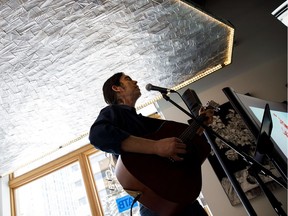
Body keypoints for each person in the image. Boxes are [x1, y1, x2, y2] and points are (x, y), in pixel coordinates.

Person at [89, 72, 212, 216]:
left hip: (179, 195)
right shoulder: (111, 112)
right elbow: (98, 135)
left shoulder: (142, 121)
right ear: (117, 88)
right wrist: (156, 147)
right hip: (155, 204)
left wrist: (200, 125)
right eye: (128, 79)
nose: (135, 81)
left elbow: (178, 141)